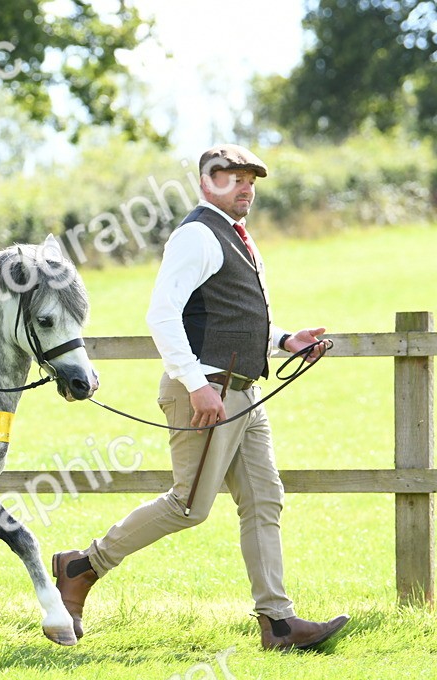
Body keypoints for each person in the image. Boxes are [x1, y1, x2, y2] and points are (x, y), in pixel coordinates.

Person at [53, 144, 351, 651]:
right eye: (232, 177)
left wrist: (283, 342)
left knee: (263, 499)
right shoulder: (196, 235)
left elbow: (228, 315)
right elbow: (162, 316)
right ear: (204, 182)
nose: (245, 187)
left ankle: (278, 623)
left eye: (250, 179)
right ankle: (83, 565)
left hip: (242, 393)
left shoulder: (235, 237)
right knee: (189, 506)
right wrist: (195, 385)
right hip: (207, 392)